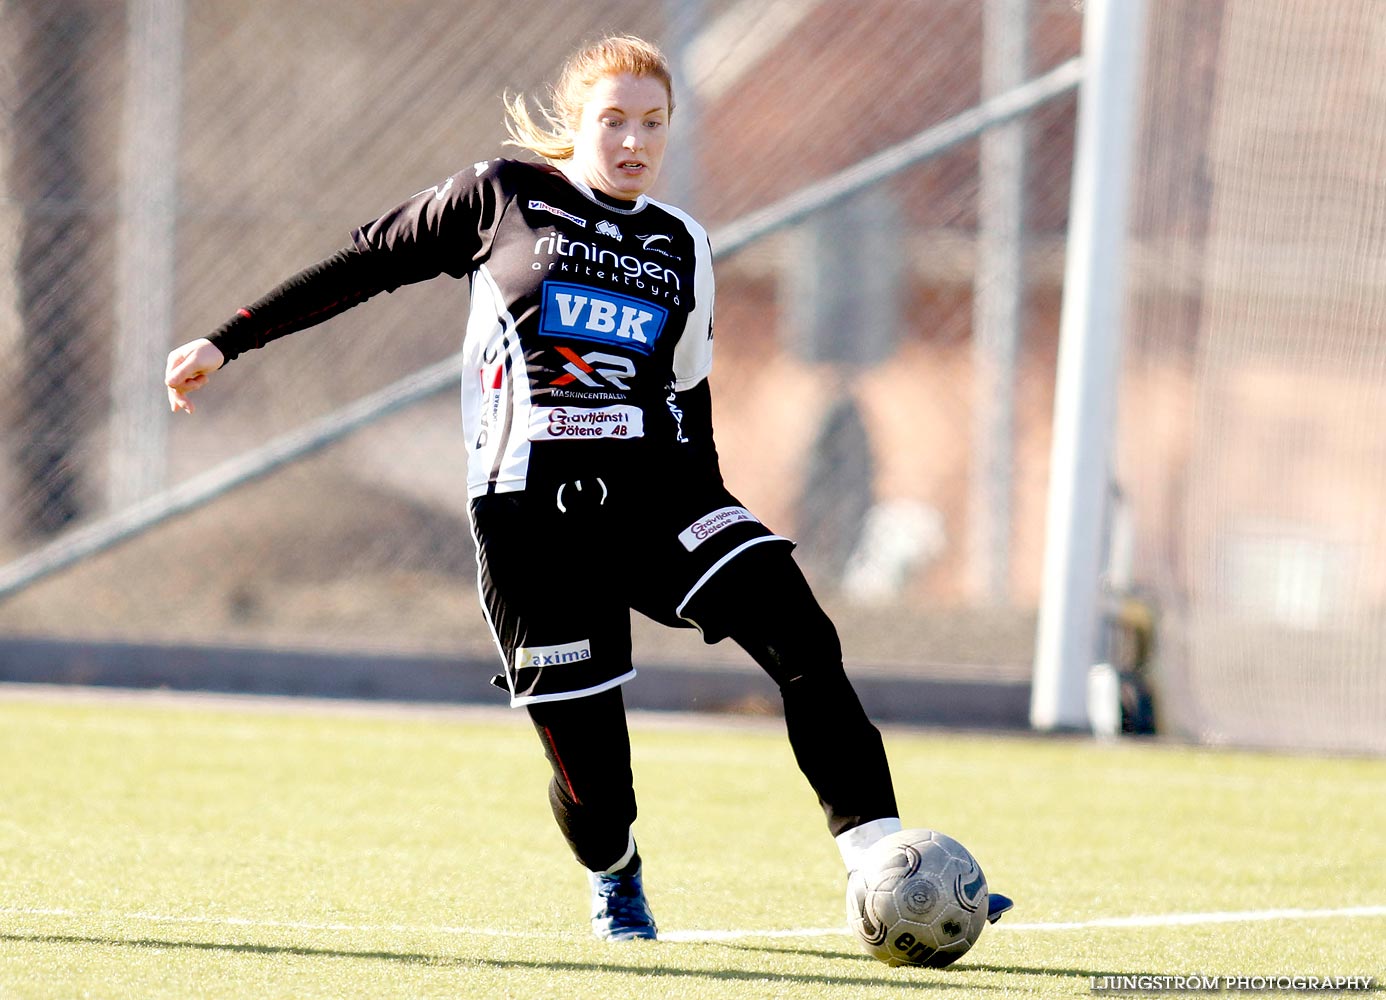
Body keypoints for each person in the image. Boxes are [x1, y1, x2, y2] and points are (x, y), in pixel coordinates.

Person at [164, 34, 1010, 942]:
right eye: (614, 120)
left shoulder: (680, 243)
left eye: (654, 123)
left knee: (798, 629)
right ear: (576, 124)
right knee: (595, 783)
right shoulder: (503, 195)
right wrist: (228, 338)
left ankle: (881, 858)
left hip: (657, 497)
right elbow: (368, 261)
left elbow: (688, 392)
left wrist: (717, 510)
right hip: (532, 521)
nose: (635, 140)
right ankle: (616, 875)